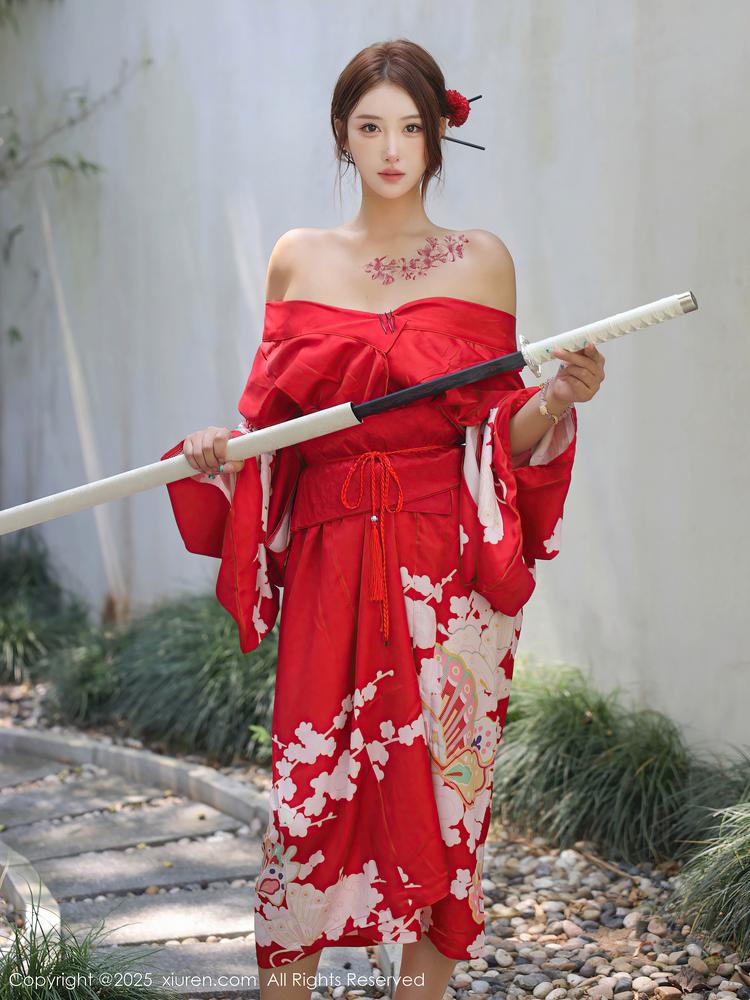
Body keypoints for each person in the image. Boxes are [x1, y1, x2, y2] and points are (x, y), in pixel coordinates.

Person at [160, 38, 605, 1000]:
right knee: (308, 800)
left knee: (447, 798)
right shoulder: (296, 257)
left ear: (440, 132)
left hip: (441, 570)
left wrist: (556, 399)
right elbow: (270, 433)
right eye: (371, 127)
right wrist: (220, 448)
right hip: (330, 562)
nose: (393, 149)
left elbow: (495, 434)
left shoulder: (482, 261)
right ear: (342, 135)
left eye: (410, 127)